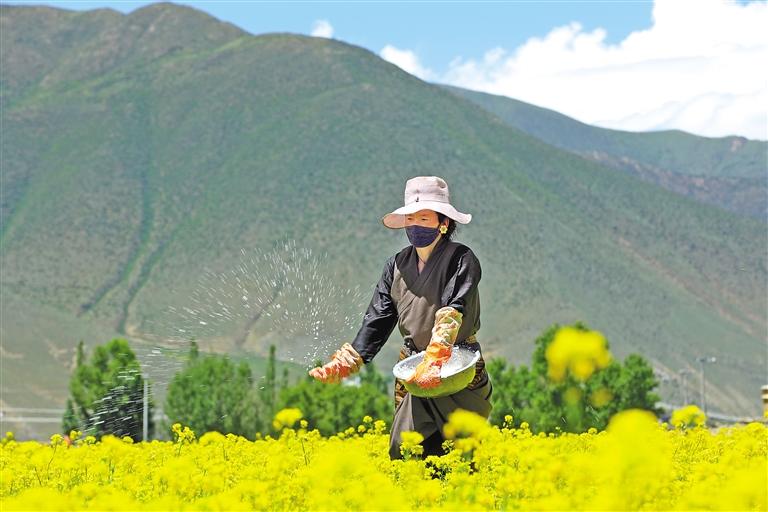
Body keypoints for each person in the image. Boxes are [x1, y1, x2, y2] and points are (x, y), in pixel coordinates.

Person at [309, 176, 492, 459]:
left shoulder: (462, 259)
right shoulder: (395, 265)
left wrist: (437, 357)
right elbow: (379, 318)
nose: (416, 225)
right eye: (411, 218)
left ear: (443, 222)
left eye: (424, 217)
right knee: (405, 450)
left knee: (461, 455)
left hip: (457, 368)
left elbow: (454, 307)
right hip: (414, 369)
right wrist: (348, 360)